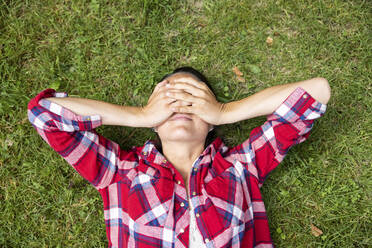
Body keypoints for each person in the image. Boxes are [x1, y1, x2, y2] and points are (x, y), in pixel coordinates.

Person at [27, 67, 331, 248]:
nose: (181, 108)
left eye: (193, 101)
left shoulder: (242, 167)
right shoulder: (121, 172)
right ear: (155, 120)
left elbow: (317, 91)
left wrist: (225, 111)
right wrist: (140, 115)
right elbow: (43, 115)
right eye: (169, 102)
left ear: (209, 118)